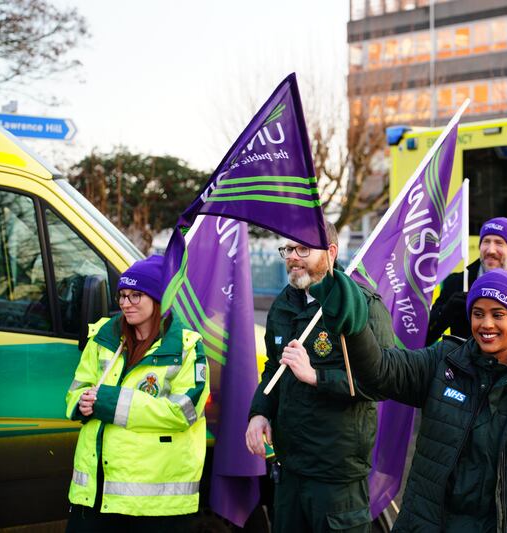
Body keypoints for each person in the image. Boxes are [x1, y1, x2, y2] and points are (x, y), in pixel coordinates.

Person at [306, 268, 507, 532]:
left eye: (498, 314)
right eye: (478, 313)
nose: (486, 324)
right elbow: (382, 370)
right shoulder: (443, 362)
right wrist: (355, 329)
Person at [246, 222, 394, 533]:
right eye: (288, 249)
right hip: (289, 468)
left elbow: (381, 381)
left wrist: (316, 376)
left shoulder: (363, 305)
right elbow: (274, 369)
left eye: (303, 249)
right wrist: (260, 412)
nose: (292, 257)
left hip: (336, 475)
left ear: (331, 253)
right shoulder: (283, 305)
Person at [65, 255, 210, 532]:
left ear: (158, 300)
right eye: (122, 295)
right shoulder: (104, 337)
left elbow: (184, 411)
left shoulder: (188, 349)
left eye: (135, 296)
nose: (125, 303)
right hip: (95, 493)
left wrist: (108, 401)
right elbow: (77, 388)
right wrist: (81, 403)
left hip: (151, 505)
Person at [426, 217, 507, 352]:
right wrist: (446, 312)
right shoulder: (457, 283)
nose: (490, 250)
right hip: (460, 369)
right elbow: (426, 337)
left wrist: (504, 322)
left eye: (499, 243)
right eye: (486, 241)